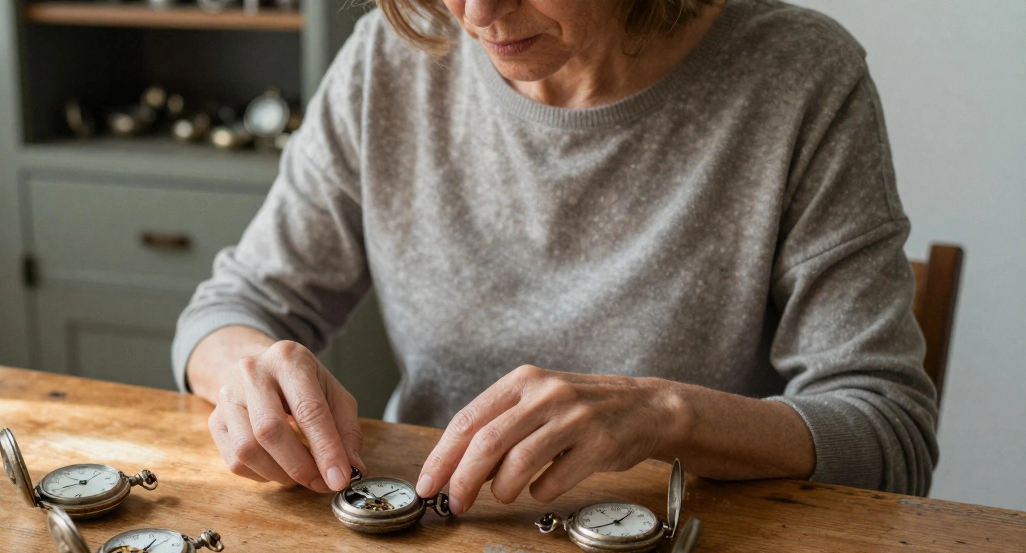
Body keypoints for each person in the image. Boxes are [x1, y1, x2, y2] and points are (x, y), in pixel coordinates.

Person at [172, 0, 938, 515]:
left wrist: (662, 416)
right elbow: (231, 309)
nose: (477, 14)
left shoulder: (799, 76)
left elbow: (888, 433)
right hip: (434, 541)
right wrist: (248, 368)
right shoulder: (391, 61)